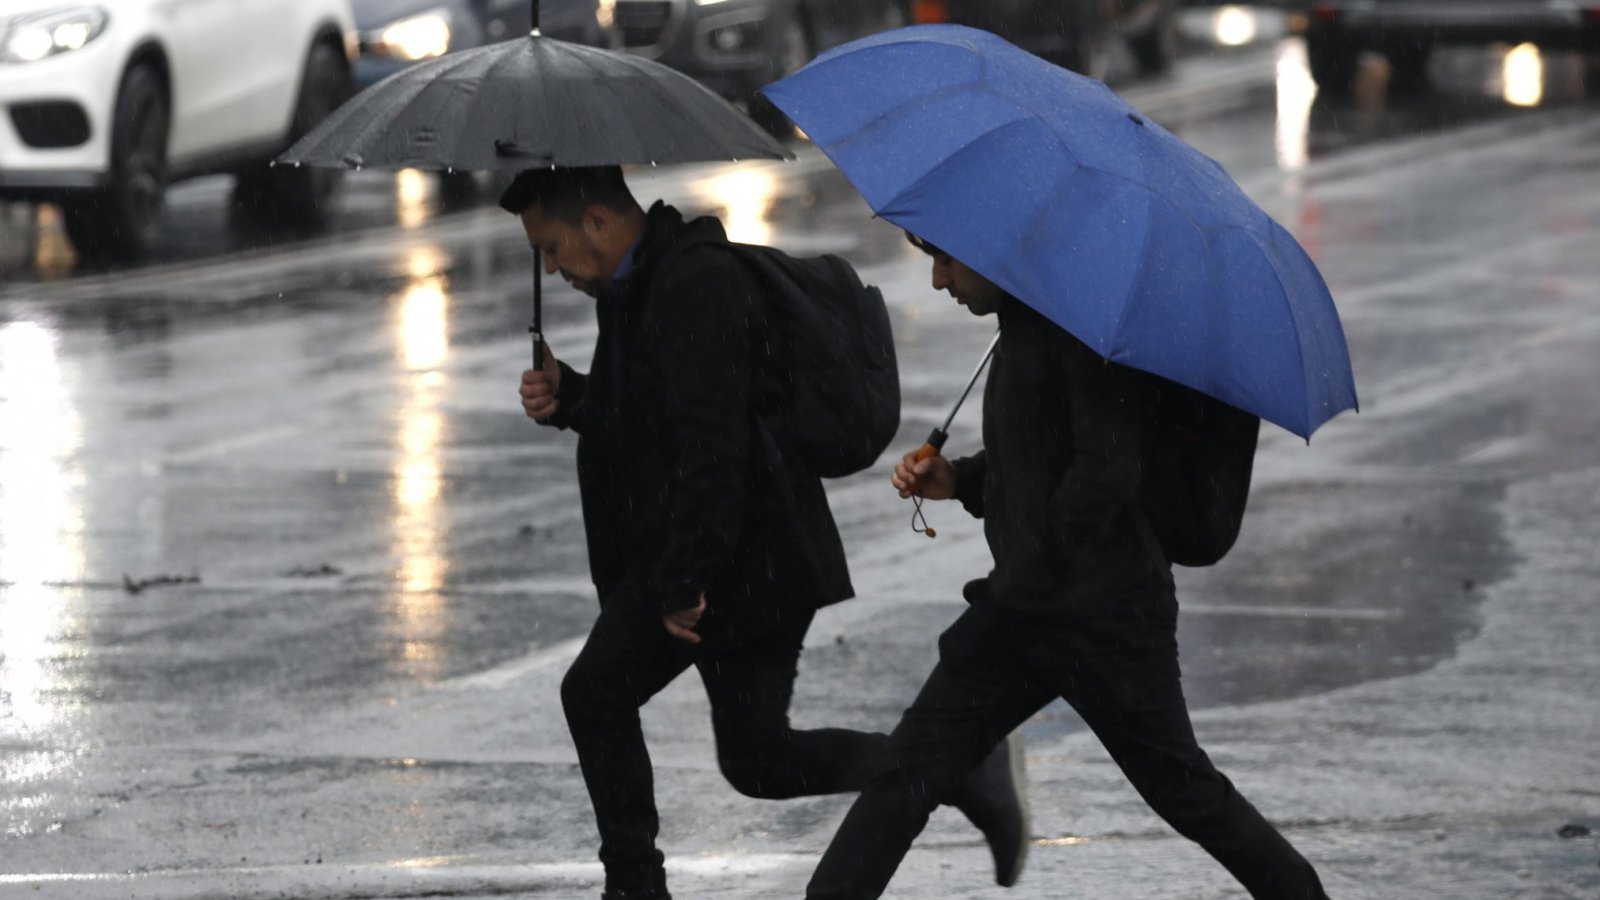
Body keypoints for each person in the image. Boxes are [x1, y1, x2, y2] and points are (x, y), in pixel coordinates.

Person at [504, 167, 1025, 900]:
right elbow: (653, 424)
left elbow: (714, 451)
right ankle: (959, 768)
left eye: (551, 247)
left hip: (742, 558)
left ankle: (635, 886)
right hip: (734, 552)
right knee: (760, 762)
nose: (551, 269)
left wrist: (683, 582)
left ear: (596, 220)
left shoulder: (693, 285)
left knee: (594, 695)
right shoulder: (634, 287)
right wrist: (575, 399)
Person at [804, 234, 1332, 900]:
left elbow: (1108, 467)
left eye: (947, 259)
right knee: (906, 777)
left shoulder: (1077, 328)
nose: (939, 280)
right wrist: (959, 478)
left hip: (1106, 616)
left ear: (993, 254)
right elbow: (1039, 456)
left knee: (1185, 792)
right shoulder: (1024, 324)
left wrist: (1049, 547)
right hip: (1021, 615)